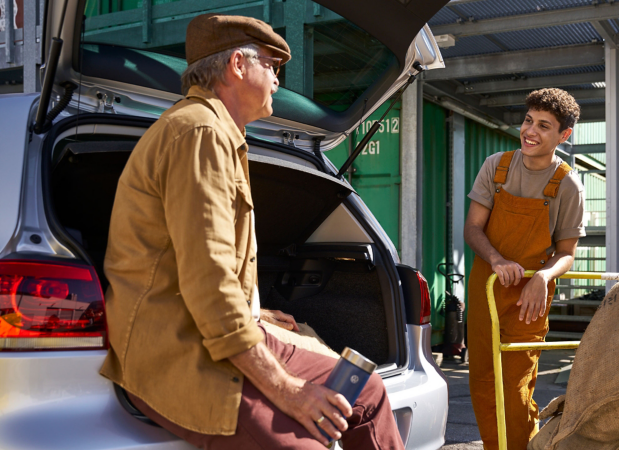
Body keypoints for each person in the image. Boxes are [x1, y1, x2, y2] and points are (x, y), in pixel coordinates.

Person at [99, 13, 404, 449]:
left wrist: (255, 313)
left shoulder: (221, 133)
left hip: (224, 330)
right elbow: (209, 282)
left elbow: (200, 268)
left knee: (366, 392)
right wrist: (288, 390)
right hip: (182, 349)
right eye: (271, 66)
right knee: (306, 442)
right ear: (237, 67)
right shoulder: (198, 132)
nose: (279, 80)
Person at [464, 88, 586, 450]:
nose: (530, 131)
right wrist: (498, 260)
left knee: (515, 385)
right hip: (486, 288)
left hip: (529, 298)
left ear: (564, 135)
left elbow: (566, 252)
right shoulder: (496, 166)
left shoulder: (567, 184)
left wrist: (544, 278)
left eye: (544, 126)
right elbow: (473, 228)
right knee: (484, 381)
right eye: (528, 121)